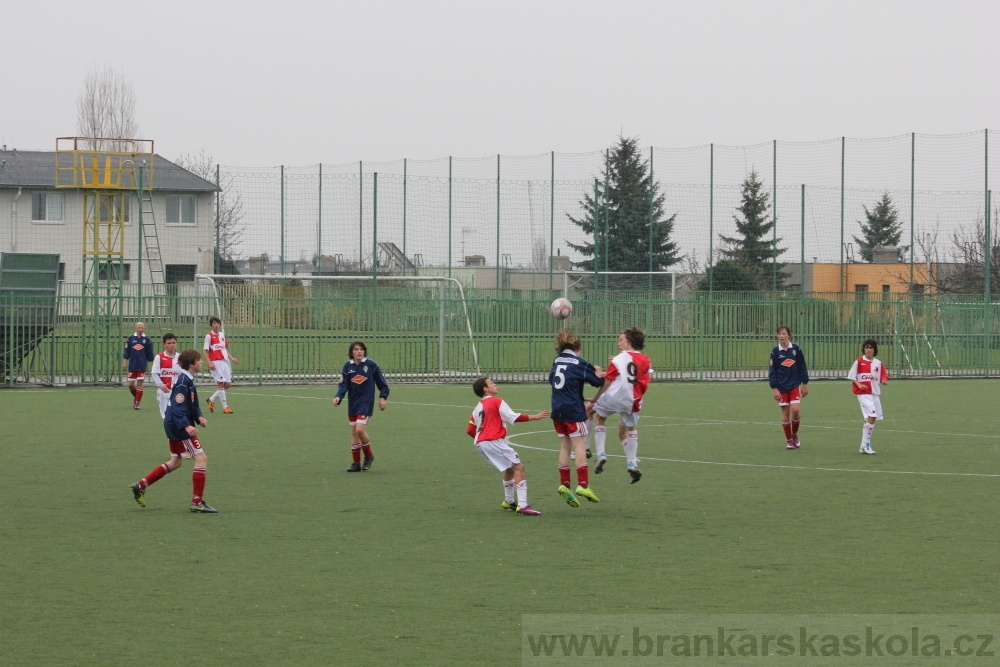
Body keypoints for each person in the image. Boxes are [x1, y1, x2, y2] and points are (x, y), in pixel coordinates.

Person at [130, 349, 218, 513]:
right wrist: (186, 425)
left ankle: (140, 485)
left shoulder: (187, 379)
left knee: (176, 462)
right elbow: (177, 407)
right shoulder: (184, 381)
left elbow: (193, 404)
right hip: (178, 426)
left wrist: (199, 418)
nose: (202, 363)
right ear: (192, 364)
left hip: (172, 424)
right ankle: (196, 502)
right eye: (199, 360)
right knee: (201, 459)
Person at [466, 377, 549, 515]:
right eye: (492, 383)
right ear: (486, 389)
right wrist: (535, 416)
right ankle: (522, 505)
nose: (495, 384)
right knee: (518, 467)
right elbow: (513, 417)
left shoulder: (478, 407)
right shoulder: (496, 401)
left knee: (509, 468)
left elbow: (469, 430)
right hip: (492, 441)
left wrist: (482, 439)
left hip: (480, 444)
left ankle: (509, 501)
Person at [588, 327, 652, 484]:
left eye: (621, 340)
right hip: (632, 400)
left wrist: (596, 398)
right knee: (629, 430)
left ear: (628, 342)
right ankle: (631, 463)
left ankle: (599, 453)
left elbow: (608, 382)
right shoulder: (646, 360)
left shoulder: (619, 359)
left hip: (614, 397)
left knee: (597, 416)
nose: (618, 343)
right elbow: (643, 379)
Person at [549, 328, 604, 507]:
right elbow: (599, 382)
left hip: (557, 410)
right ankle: (583, 485)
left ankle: (565, 484)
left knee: (565, 447)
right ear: (577, 348)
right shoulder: (579, 362)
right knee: (579, 445)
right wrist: (599, 371)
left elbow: (553, 380)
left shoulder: (557, 361)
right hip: (573, 411)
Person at [333, 340, 389, 472]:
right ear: (351, 352)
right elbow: (344, 385)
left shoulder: (371, 365)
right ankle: (356, 463)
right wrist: (338, 396)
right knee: (354, 433)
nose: (359, 352)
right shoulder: (348, 366)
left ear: (364, 351)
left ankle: (369, 455)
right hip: (353, 403)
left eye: (361, 349)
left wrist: (382, 398)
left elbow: (382, 384)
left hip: (366, 402)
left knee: (359, 430)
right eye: (356, 349)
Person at [768, 325, 810, 449]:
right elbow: (772, 371)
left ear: (789, 335)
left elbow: (802, 366)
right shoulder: (775, 351)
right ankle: (789, 440)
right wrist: (774, 388)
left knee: (796, 410)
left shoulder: (796, 349)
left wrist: (805, 384)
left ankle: (795, 434)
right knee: (786, 413)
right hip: (781, 387)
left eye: (784, 333)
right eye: (779, 333)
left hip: (794, 385)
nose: (781, 336)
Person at [847, 338, 888, 455]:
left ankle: (862, 446)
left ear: (874, 350)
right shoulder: (859, 362)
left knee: (869, 419)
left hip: (874, 394)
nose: (868, 350)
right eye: (866, 347)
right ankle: (866, 444)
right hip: (863, 394)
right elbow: (852, 376)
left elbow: (883, 377)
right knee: (872, 415)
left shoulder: (878, 364)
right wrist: (859, 385)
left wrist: (884, 380)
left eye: (870, 348)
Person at [203, 316, 238, 414]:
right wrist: (209, 362)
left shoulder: (222, 335)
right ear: (211, 325)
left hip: (224, 362)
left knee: (228, 384)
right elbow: (205, 351)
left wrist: (232, 358)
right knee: (221, 384)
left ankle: (211, 399)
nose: (216, 325)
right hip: (215, 362)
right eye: (214, 323)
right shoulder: (209, 336)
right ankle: (225, 407)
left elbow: (224, 349)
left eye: (217, 323)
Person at [122, 321, 155, 410]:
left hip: (142, 365)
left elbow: (150, 353)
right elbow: (127, 351)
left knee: (140, 384)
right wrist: (124, 361)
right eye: (138, 328)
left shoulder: (147, 340)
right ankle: (137, 397)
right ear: (135, 328)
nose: (140, 329)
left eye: (142, 328)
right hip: (132, 365)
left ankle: (137, 403)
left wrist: (153, 363)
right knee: (130, 384)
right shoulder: (131, 338)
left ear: (144, 329)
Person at [150, 332, 181, 419]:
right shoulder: (159, 357)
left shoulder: (180, 357)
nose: (172, 345)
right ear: (164, 344)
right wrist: (161, 385)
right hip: (164, 392)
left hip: (177, 391)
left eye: (174, 343)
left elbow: (184, 374)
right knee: (166, 416)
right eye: (169, 343)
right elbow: (154, 373)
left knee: (178, 414)